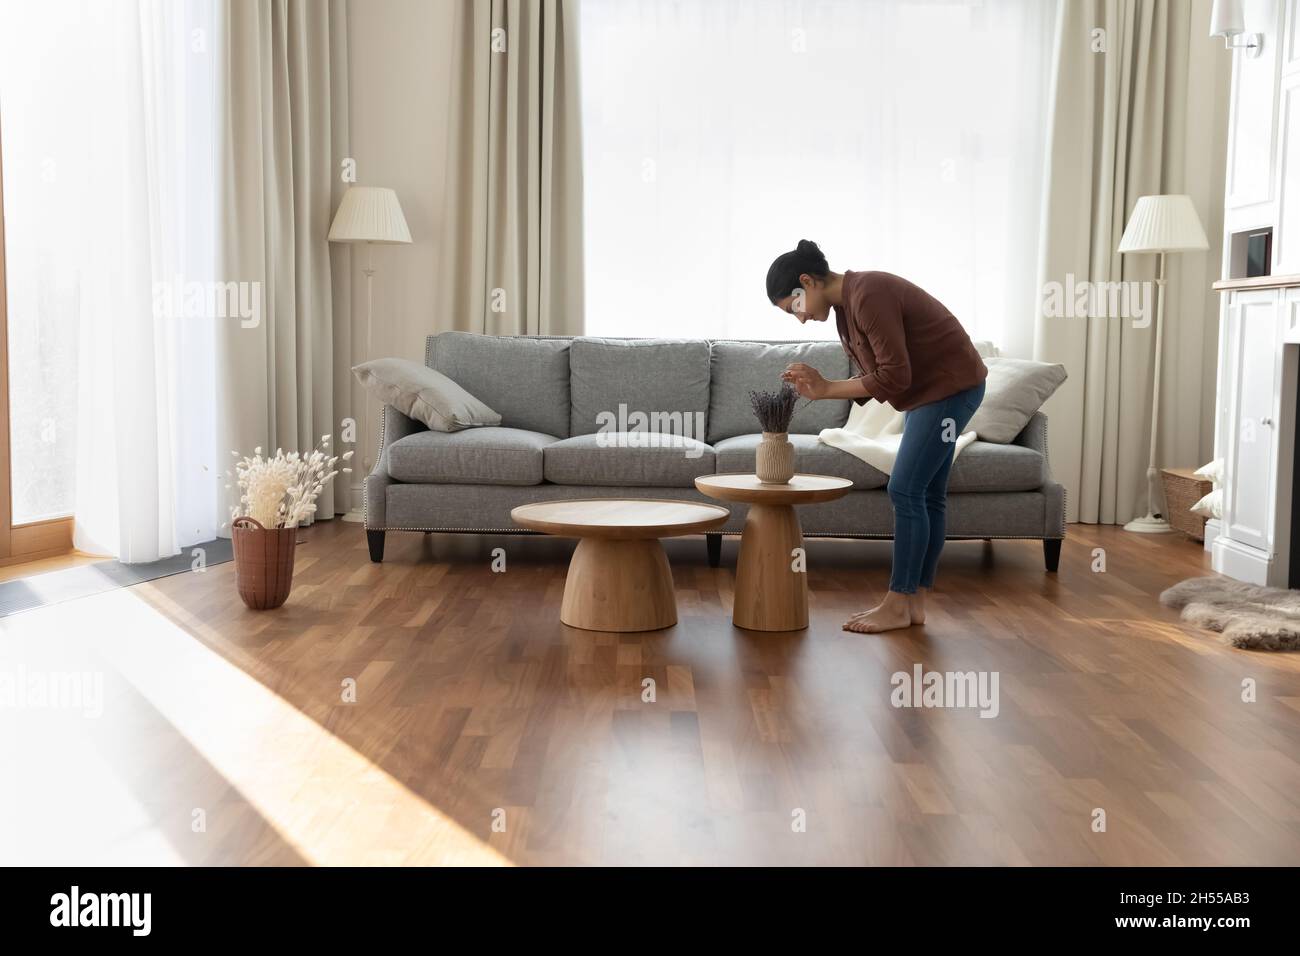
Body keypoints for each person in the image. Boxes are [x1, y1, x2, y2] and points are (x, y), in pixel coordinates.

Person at [767, 240, 987, 633]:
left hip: (949, 390)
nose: (799, 319)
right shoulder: (846, 309)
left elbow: (894, 377)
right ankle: (914, 603)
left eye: (793, 307)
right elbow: (877, 376)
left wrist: (827, 387)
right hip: (932, 393)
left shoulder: (870, 294)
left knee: (904, 491)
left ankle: (898, 601)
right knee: (926, 494)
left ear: (806, 282)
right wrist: (822, 388)